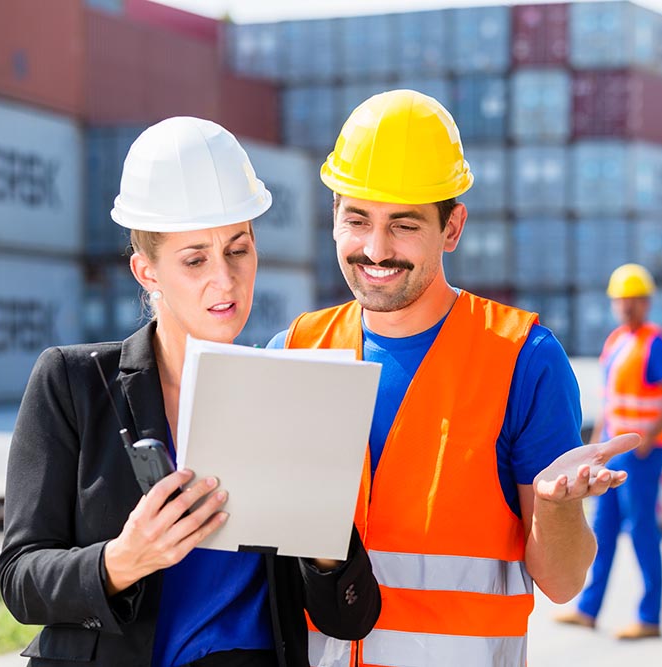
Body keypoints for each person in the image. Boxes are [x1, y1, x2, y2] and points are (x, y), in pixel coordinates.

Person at [266, 89, 640, 667]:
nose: (376, 249)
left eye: (404, 224)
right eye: (356, 219)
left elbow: (564, 583)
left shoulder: (522, 359)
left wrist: (557, 508)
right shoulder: (293, 350)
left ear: (453, 226)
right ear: (333, 216)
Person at [0, 117, 381, 667]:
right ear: (146, 270)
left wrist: (323, 547)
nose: (225, 280)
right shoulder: (74, 383)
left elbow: (350, 617)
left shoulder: (291, 396)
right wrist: (122, 561)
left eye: (239, 250)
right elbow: (19, 579)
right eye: (195, 259)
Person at [556, 263, 662, 639]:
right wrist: (596, 450)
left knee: (643, 530)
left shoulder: (655, 343)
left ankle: (649, 617)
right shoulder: (615, 342)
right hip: (615, 453)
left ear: (646, 303)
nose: (627, 307)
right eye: (621, 301)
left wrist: (646, 441)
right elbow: (611, 403)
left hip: (642, 457)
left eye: (634, 301)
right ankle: (588, 610)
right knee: (604, 529)